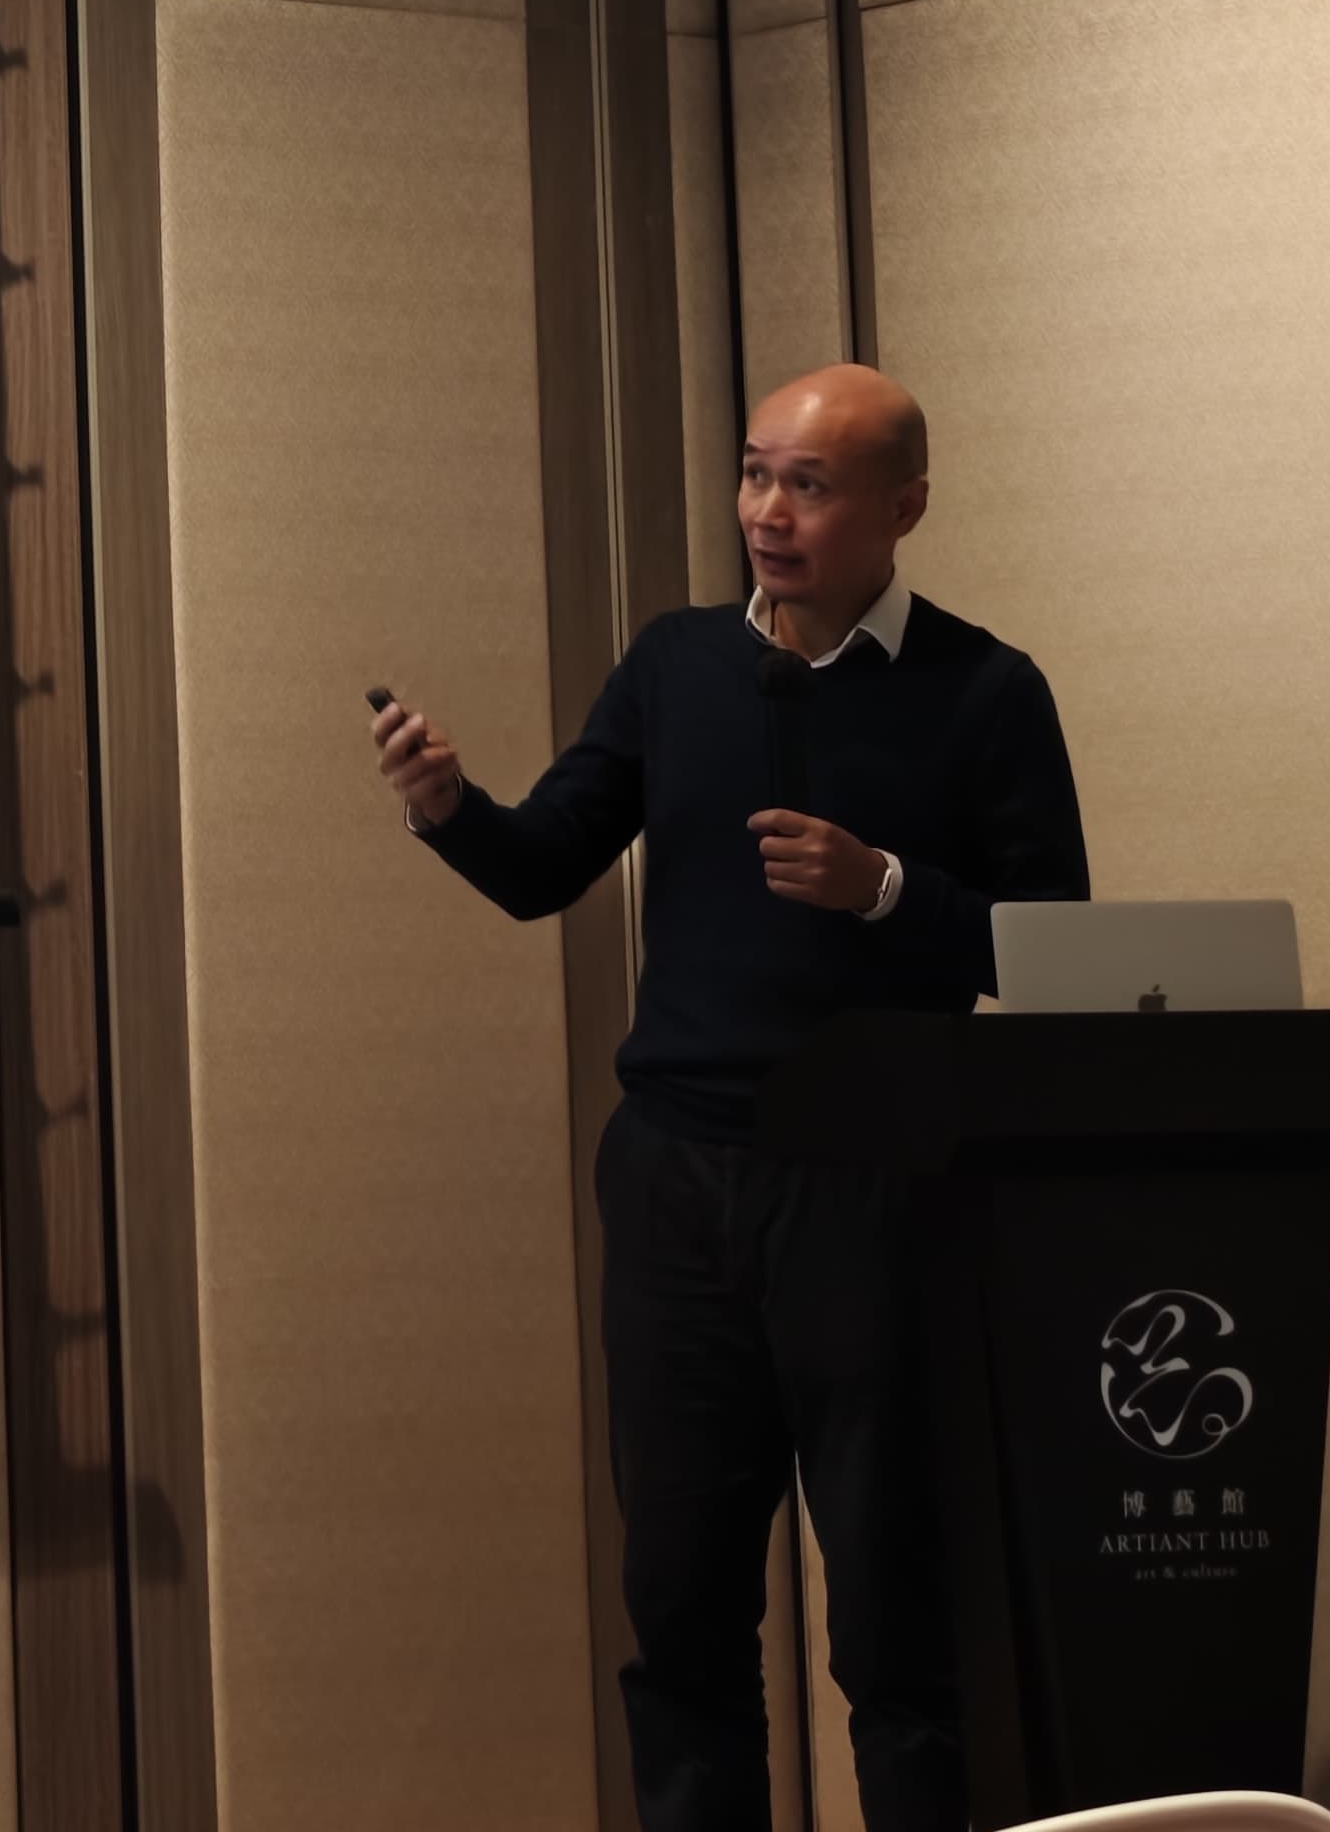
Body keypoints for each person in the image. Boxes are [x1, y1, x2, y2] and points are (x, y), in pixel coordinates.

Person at [365, 362, 1086, 1832]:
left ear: (905, 508)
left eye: (808, 486)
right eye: (756, 473)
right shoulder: (676, 664)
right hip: (678, 1182)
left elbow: (1057, 948)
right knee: (682, 1613)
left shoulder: (986, 691)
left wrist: (886, 890)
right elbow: (543, 866)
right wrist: (448, 809)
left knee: (900, 1618)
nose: (767, 512)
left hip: (881, 1190)